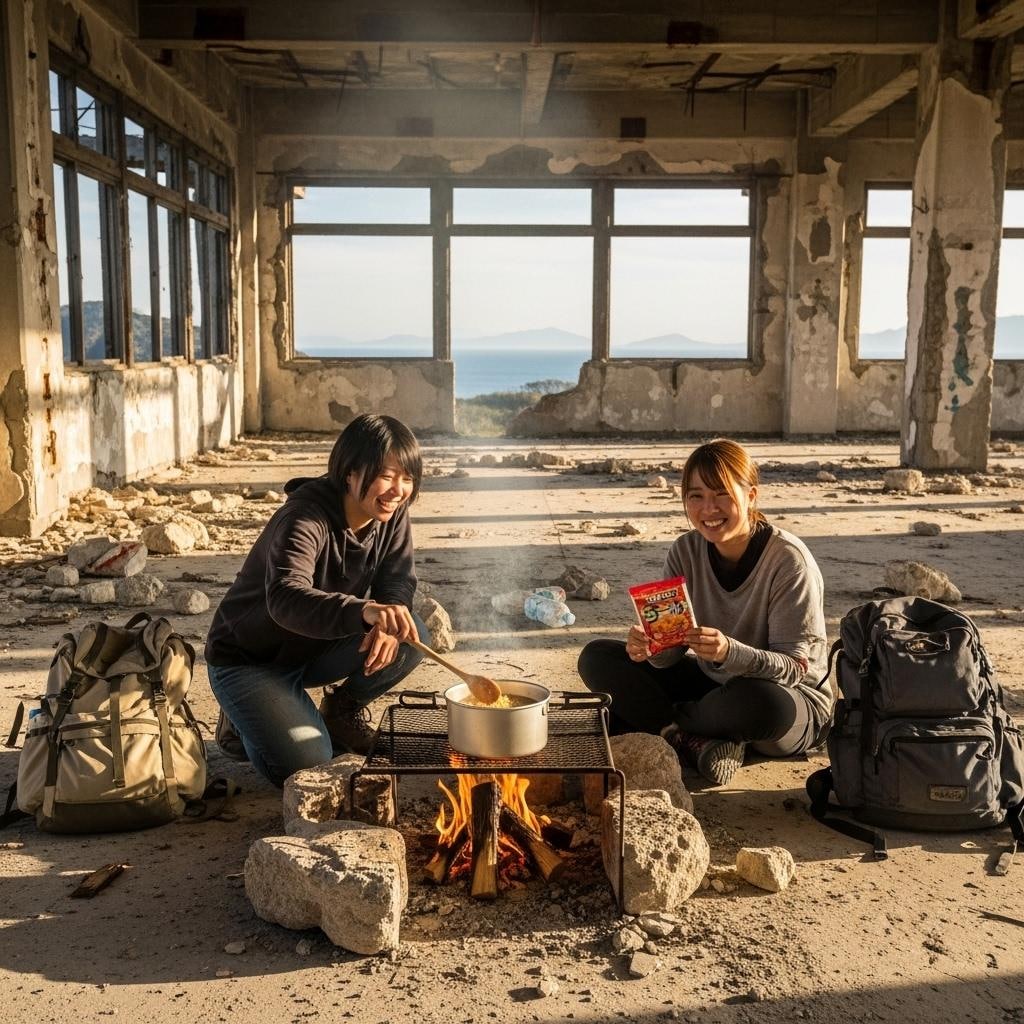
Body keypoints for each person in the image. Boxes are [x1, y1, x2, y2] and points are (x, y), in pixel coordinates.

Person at [577, 438, 832, 786]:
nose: (708, 509)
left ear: (751, 496)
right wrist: (652, 648)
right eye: (696, 496)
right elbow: (670, 658)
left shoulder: (788, 561)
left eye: (721, 494)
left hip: (787, 701)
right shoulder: (685, 550)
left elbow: (794, 669)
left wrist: (730, 652)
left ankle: (658, 723)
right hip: (714, 687)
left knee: (762, 703)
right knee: (598, 657)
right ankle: (690, 738)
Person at [204, 414, 427, 787]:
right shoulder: (305, 517)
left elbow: (398, 578)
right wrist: (365, 611)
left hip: (311, 650)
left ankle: (340, 713)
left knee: (410, 632)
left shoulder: (391, 513)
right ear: (350, 472)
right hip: (249, 660)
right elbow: (285, 597)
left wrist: (388, 617)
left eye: (407, 478)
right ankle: (243, 721)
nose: (398, 490)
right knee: (311, 764)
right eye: (387, 476)